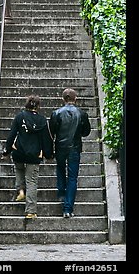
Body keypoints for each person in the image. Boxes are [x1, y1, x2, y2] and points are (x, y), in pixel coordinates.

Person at [2, 94, 53, 219]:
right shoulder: (42, 120)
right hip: (34, 154)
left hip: (19, 151)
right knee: (32, 181)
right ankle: (30, 211)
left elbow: (12, 135)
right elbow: (46, 139)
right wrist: (48, 154)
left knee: (19, 169)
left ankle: (20, 190)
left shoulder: (20, 117)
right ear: (38, 106)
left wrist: (6, 151)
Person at [49, 88, 91, 218]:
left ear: (63, 99)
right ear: (75, 99)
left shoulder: (56, 113)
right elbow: (86, 132)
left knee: (60, 169)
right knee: (73, 177)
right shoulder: (81, 113)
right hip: (75, 147)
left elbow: (52, 131)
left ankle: (61, 192)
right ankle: (68, 208)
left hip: (60, 147)